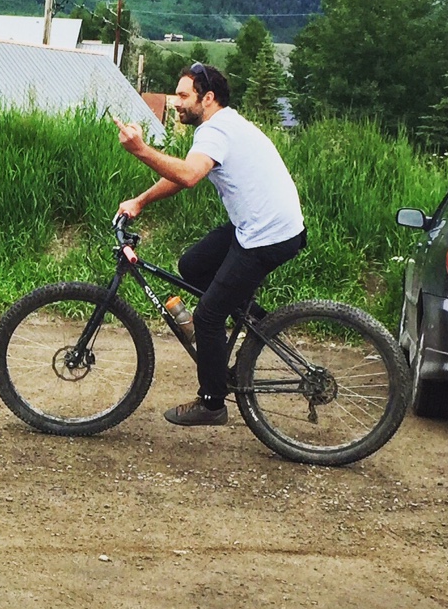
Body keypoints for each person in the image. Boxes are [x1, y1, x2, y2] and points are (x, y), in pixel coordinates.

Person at [112, 62, 306, 426]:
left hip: (268, 235)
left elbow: (187, 175)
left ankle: (212, 403)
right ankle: (252, 321)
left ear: (208, 97)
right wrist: (140, 201)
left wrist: (140, 150)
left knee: (208, 317)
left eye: (184, 95)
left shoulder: (216, 130)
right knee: (193, 266)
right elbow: (188, 172)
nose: (176, 102)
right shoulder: (223, 124)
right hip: (259, 227)